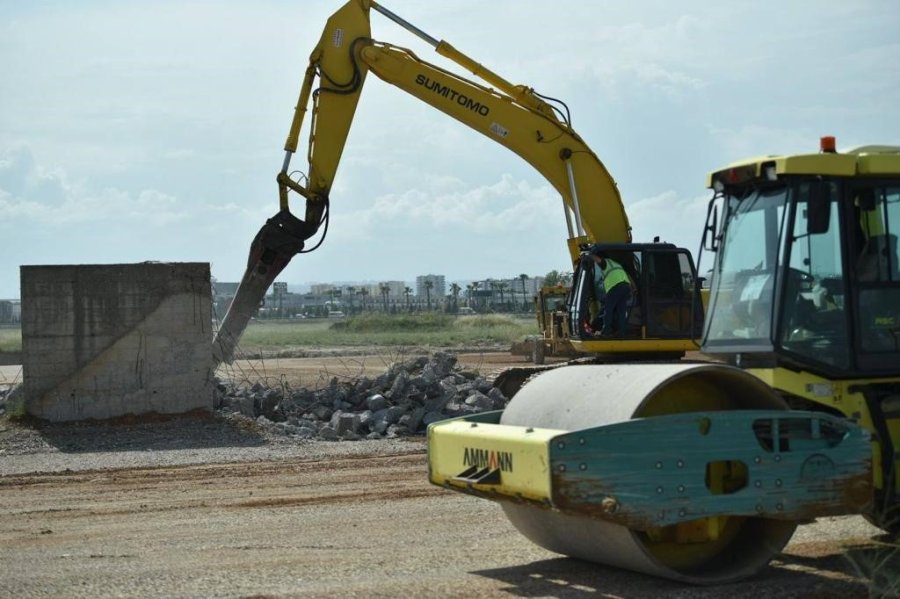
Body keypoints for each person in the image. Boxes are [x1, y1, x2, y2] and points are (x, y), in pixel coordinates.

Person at [591, 247, 632, 337]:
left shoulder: (605, 263)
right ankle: (622, 332)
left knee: (608, 309)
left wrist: (589, 254)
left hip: (615, 286)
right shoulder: (616, 264)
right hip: (625, 287)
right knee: (621, 311)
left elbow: (597, 259)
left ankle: (605, 331)